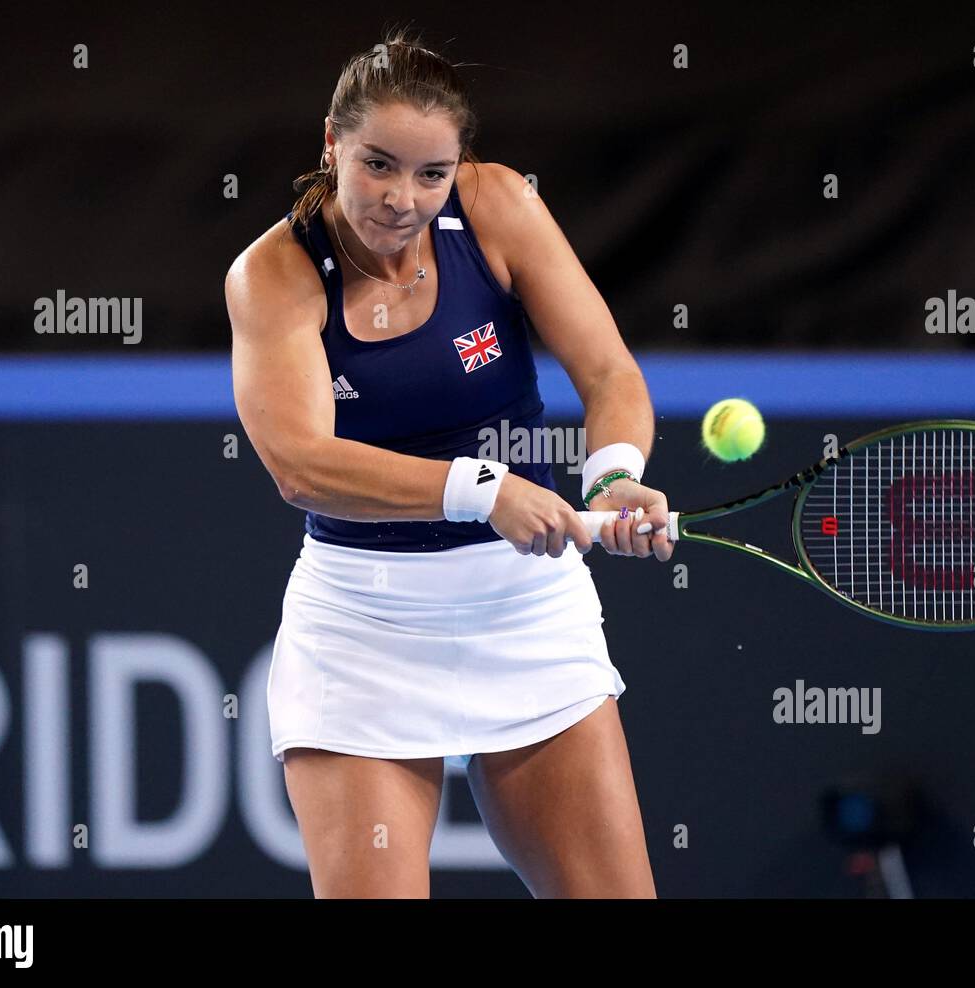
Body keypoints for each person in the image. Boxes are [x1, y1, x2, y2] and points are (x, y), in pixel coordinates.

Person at [224, 29, 674, 898]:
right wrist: (480, 489)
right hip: (363, 628)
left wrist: (614, 476)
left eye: (432, 174)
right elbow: (301, 468)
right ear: (331, 143)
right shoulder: (272, 275)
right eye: (377, 165)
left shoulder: (499, 206)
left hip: (525, 611)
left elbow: (610, 372)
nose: (403, 199)